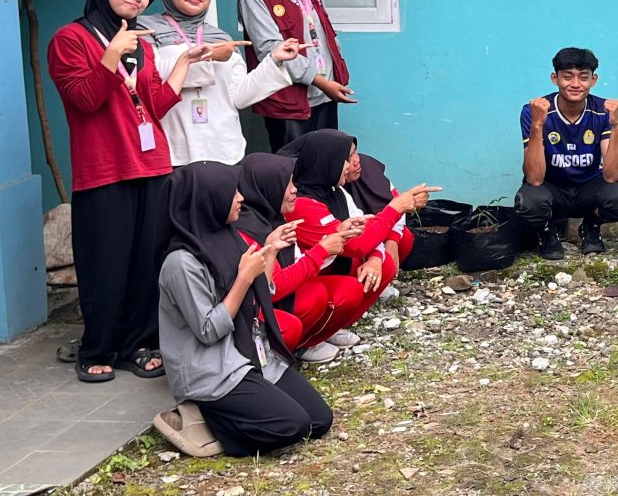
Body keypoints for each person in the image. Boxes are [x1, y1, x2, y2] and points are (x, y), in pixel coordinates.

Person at [49, 0, 218, 383]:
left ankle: (137, 345)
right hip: (104, 169)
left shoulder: (140, 43)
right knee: (105, 264)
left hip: (152, 164)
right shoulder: (70, 39)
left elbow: (154, 104)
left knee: (147, 263)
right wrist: (110, 55)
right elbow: (83, 99)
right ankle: (97, 348)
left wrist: (184, 63)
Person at [154, 160, 333, 458]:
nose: (240, 197)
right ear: (209, 200)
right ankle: (203, 417)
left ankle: (230, 414)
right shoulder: (181, 263)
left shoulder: (228, 236)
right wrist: (243, 278)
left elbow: (261, 294)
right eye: (232, 192)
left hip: (249, 352)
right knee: (293, 426)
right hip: (212, 369)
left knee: (319, 420)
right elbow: (209, 331)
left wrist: (270, 250)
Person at [143, 0, 302, 165]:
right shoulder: (147, 30)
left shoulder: (221, 38)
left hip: (223, 148)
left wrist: (274, 60)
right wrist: (209, 57)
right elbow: (150, 78)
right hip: (173, 150)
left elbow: (239, 97)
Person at [287, 131, 437, 348]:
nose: (354, 162)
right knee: (343, 291)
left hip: (337, 262)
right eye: (347, 158)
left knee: (384, 260)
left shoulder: (337, 190)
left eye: (355, 154)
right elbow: (354, 243)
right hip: (308, 276)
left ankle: (332, 326)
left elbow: (362, 226)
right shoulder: (302, 203)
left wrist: (375, 256)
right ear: (327, 162)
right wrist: (395, 208)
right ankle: (309, 342)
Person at [239, 0, 354, 152]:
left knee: (327, 163)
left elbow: (323, 31)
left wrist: (332, 76)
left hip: (324, 94)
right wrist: (321, 82)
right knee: (293, 167)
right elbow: (270, 48)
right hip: (288, 101)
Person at [233, 153, 363, 359]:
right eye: (286, 184)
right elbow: (273, 288)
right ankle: (281, 353)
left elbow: (295, 262)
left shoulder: (274, 216)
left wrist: (337, 233)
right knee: (312, 299)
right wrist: (321, 250)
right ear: (267, 186)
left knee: (346, 288)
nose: (294, 189)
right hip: (255, 310)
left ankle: (308, 341)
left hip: (272, 300)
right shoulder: (248, 229)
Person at [517, 47, 618, 260]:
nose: (575, 84)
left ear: (593, 80)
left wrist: (615, 125)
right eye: (567, 76)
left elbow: (611, 176)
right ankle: (547, 231)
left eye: (583, 77)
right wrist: (537, 125)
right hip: (551, 187)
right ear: (555, 78)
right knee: (530, 202)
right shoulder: (534, 111)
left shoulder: (602, 110)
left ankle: (591, 225)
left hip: (587, 189)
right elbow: (534, 178)